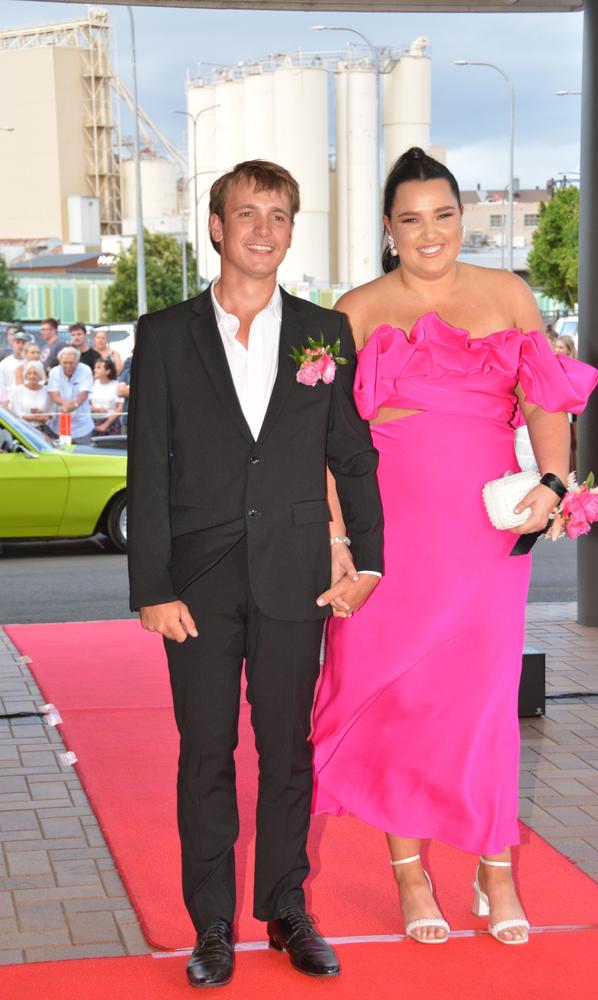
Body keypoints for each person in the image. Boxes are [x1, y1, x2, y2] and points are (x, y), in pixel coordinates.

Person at [311, 148, 598, 947]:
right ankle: (409, 872)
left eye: (444, 215)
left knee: (479, 703)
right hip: (386, 533)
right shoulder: (356, 309)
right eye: (412, 219)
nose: (430, 233)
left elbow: (546, 399)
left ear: (461, 218)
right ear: (388, 227)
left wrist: (551, 477)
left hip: (479, 534)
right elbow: (329, 442)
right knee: (392, 697)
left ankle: (492, 866)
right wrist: (340, 540)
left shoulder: (507, 295)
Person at [127, 159, 384, 988]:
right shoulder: (164, 335)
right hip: (196, 586)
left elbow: (351, 453)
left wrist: (368, 557)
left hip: (295, 574)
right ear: (216, 227)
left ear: (291, 229)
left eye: (278, 215)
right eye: (247, 214)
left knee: (286, 752)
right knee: (205, 754)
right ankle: (209, 927)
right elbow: (150, 470)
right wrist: (152, 589)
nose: (264, 230)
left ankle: (284, 907)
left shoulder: (322, 332)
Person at [47, 346, 95, 443]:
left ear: (77, 362)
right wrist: (66, 404)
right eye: (65, 363)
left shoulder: (85, 370)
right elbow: (54, 395)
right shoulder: (54, 371)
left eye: (71, 363)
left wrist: (74, 405)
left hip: (82, 426)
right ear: (60, 362)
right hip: (59, 425)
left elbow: (84, 393)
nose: (68, 366)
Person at [8, 360, 50, 425]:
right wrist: (36, 418)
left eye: (35, 373)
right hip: (21, 428)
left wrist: (41, 413)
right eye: (29, 373)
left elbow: (50, 415)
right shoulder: (17, 391)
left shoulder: (47, 391)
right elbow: (14, 414)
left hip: (42, 429)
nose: (32, 376)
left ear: (40, 375)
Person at [90, 357, 123, 435]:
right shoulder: (92, 384)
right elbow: (86, 404)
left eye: (98, 368)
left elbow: (120, 407)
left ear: (108, 371)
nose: (95, 370)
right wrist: (96, 409)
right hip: (92, 423)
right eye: (95, 368)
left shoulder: (117, 385)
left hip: (112, 423)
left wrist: (106, 424)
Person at [0, 328, 29, 403]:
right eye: (17, 342)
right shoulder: (4, 364)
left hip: (27, 401)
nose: (20, 345)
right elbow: (2, 386)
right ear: (12, 343)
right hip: (10, 402)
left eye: (23, 343)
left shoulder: (31, 363)